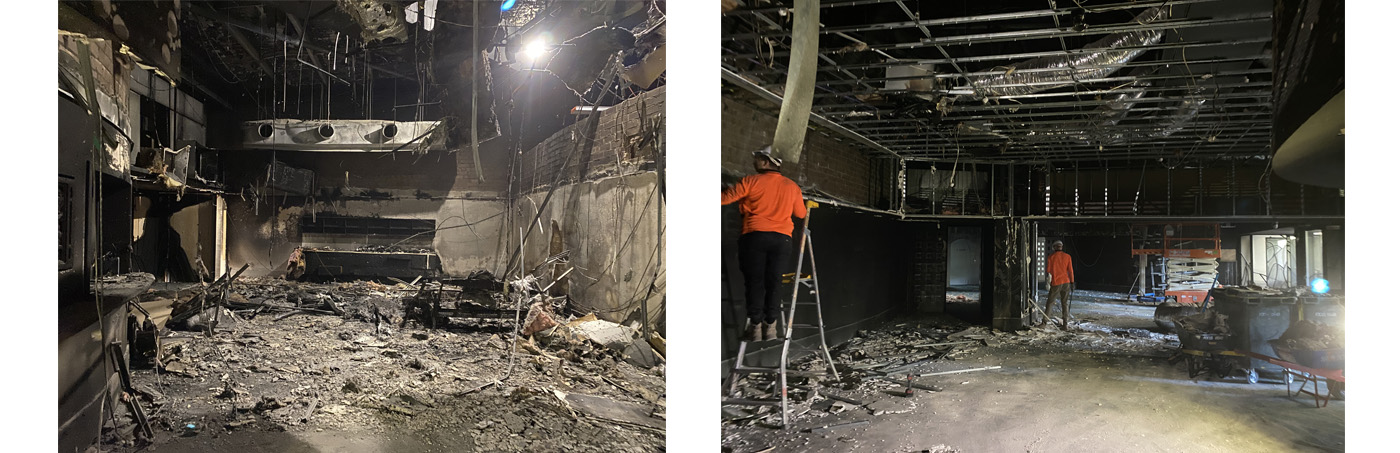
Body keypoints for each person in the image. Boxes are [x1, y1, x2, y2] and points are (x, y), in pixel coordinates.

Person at [722, 146, 808, 341]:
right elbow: (801, 214)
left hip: (754, 236)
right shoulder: (792, 186)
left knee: (755, 282)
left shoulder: (749, 181)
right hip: (782, 240)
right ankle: (771, 327)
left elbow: (725, 199)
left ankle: (755, 327)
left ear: (766, 161)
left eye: (758, 158)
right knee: (774, 282)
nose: (754, 161)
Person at [1044, 240, 1075, 330]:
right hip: (1066, 282)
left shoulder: (1051, 257)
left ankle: (1044, 323)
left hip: (1056, 282)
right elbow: (1071, 271)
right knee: (1065, 303)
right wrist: (1072, 282)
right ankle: (1065, 324)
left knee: (1050, 303)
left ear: (1054, 247)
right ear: (1061, 247)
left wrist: (1048, 283)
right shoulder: (1068, 257)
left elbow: (1049, 271)